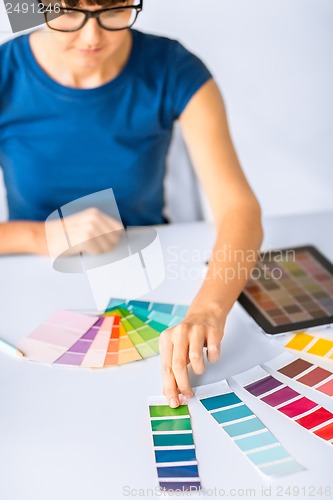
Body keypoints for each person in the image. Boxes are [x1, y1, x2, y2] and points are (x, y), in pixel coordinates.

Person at [0, 0, 263, 406]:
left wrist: (209, 309)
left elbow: (238, 208)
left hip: (152, 278)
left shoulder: (172, 67)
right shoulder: (5, 71)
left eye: (114, 10)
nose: (92, 36)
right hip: (31, 296)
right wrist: (40, 236)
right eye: (68, 11)